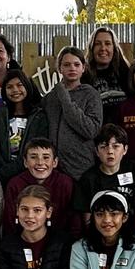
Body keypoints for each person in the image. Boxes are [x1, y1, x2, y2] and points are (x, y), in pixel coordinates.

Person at [73, 125, 135, 234]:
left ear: (125, 149)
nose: (110, 151)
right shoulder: (88, 179)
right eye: (104, 147)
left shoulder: (133, 169)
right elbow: (87, 215)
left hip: (129, 231)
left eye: (116, 146)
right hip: (101, 233)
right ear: (97, 151)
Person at [44, 47, 104, 180]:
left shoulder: (91, 94)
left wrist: (65, 100)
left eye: (76, 64)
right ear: (60, 68)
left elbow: (91, 130)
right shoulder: (50, 98)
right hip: (53, 168)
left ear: (83, 68)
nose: (72, 68)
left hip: (81, 168)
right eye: (66, 65)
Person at [1, 138, 79, 237]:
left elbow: (74, 221)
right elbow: (9, 222)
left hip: (60, 242)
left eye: (46, 157)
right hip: (22, 240)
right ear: (25, 162)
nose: (40, 162)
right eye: (33, 157)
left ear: (55, 162)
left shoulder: (65, 183)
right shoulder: (15, 184)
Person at [0, 67, 50, 181]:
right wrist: (2, 172)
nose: (15, 90)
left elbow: (39, 148)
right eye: (9, 87)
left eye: (19, 85)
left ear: (27, 86)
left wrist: (12, 170)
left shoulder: (39, 117)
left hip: (30, 176)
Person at [83, 26, 131, 122]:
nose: (103, 48)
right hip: (96, 134)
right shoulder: (84, 77)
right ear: (92, 48)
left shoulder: (127, 74)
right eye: (98, 44)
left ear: (114, 48)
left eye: (108, 43)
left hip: (124, 133)